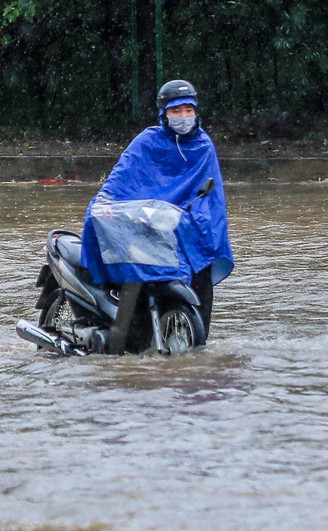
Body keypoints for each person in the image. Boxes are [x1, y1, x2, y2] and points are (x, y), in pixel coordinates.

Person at [80, 79, 234, 353]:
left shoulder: (203, 147)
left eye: (189, 110)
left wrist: (193, 221)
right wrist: (105, 202)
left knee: (203, 266)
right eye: (176, 111)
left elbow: (210, 200)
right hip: (146, 228)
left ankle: (196, 349)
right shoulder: (147, 142)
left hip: (183, 228)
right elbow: (123, 176)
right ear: (164, 114)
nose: (184, 117)